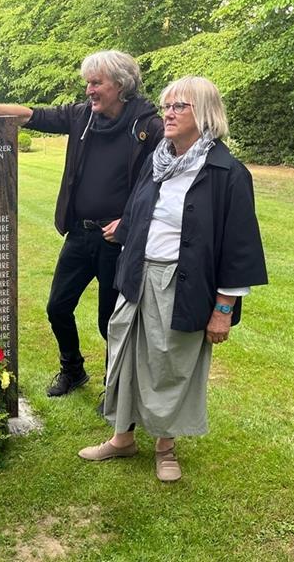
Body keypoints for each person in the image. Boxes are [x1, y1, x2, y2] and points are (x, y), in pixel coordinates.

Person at [78, 76, 268, 482]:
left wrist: (222, 310)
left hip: (182, 281)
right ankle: (122, 438)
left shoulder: (227, 172)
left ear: (204, 114)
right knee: (124, 351)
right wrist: (126, 226)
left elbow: (239, 246)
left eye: (178, 106)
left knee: (169, 360)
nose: (167, 113)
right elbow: (143, 208)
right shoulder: (159, 159)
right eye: (166, 106)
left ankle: (166, 447)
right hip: (138, 274)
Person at [0, 51, 163, 397]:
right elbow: (34, 116)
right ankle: (73, 369)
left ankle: (116, 388)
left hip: (118, 241)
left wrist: (128, 221)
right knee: (58, 307)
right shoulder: (83, 118)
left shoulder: (147, 127)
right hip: (80, 234)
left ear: (121, 85)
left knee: (110, 321)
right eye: (87, 83)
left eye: (96, 83)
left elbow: (162, 182)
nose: (88, 90)